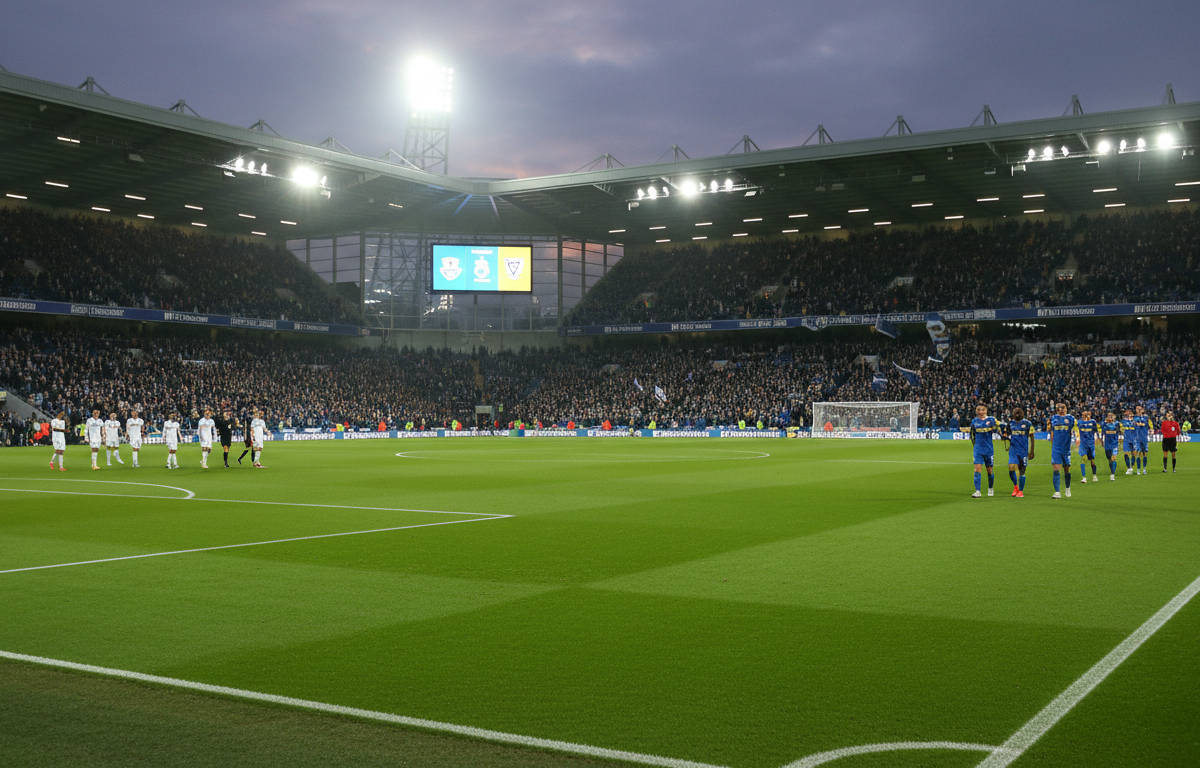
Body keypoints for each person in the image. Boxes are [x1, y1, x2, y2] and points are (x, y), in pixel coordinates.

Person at [1004, 406, 1034, 497]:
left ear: (1023, 415)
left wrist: (1032, 451)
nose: (1017, 416)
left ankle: (1021, 491)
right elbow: (1007, 434)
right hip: (1013, 450)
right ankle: (1015, 486)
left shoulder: (1028, 424)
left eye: (1018, 414)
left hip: (1023, 451)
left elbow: (1032, 437)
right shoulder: (1010, 424)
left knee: (1022, 471)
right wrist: (1007, 441)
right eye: (1015, 414)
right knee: (1011, 467)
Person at [1049, 401, 1076, 499]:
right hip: (1056, 448)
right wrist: (1052, 444)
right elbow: (1052, 431)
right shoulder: (1054, 419)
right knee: (1056, 470)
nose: (1061, 411)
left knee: (1066, 470)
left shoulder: (1071, 418)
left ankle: (1067, 488)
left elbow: (1075, 430)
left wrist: (1076, 438)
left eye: (1062, 409)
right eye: (1058, 410)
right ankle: (1057, 492)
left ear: (1065, 409)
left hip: (1066, 448)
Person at [969, 404, 997, 498]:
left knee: (990, 471)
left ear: (986, 410)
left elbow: (997, 429)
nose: (980, 412)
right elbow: (972, 433)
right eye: (978, 410)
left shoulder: (991, 420)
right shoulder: (974, 421)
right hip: (978, 449)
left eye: (982, 410)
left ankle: (990, 488)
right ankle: (977, 491)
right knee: (977, 469)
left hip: (988, 449)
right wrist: (974, 445)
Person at [1075, 409, 1099, 483]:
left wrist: (1098, 438)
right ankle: (1084, 477)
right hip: (1083, 444)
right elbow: (1076, 430)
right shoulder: (1079, 422)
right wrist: (1077, 438)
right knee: (1083, 459)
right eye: (1083, 415)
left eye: (1086, 415)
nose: (1085, 416)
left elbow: (1096, 431)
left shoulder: (1092, 422)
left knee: (1092, 461)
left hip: (1091, 444)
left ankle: (1094, 475)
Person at [1100, 412, 1121, 481]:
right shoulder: (1104, 424)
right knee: (1109, 459)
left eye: (1111, 416)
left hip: (1114, 444)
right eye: (1109, 416)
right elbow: (1102, 430)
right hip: (1107, 444)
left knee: (1113, 458)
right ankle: (1112, 470)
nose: (1110, 417)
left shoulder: (1117, 424)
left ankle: (1112, 474)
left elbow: (1119, 430)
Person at [1133, 405, 1152, 475]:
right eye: (1137, 409)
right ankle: (1138, 469)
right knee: (1138, 453)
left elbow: (1146, 424)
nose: (1138, 410)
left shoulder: (1146, 417)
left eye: (1139, 409)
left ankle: (1144, 469)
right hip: (1137, 438)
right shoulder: (1134, 417)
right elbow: (1135, 424)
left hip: (1144, 438)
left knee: (1145, 454)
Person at [1120, 409, 1137, 475]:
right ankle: (1128, 468)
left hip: (1134, 439)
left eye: (1129, 412)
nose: (1128, 413)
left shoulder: (1135, 421)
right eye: (1126, 412)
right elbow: (1121, 429)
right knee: (1126, 453)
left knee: (1134, 454)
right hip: (1126, 440)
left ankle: (1131, 467)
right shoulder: (1123, 421)